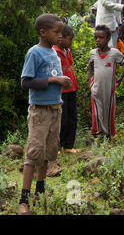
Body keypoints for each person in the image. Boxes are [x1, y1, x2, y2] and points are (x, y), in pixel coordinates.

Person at [18, 14, 72, 215]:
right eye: (56, 32)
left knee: (48, 154)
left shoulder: (54, 53)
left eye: (61, 32)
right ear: (43, 32)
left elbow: (55, 78)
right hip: (39, 112)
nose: (60, 36)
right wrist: (53, 80)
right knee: (33, 154)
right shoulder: (35, 53)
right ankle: (23, 199)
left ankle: (39, 194)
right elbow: (26, 82)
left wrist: (62, 82)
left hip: (55, 109)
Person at [89, 25, 124, 137]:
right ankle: (98, 134)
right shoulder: (93, 53)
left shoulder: (114, 53)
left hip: (109, 89)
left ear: (108, 38)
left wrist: (120, 79)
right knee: (97, 112)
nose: (98, 40)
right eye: (96, 38)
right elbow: (91, 65)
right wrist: (90, 80)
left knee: (108, 111)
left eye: (101, 37)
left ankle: (107, 134)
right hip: (96, 88)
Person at [53, 25, 79, 154]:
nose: (71, 42)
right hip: (61, 90)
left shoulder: (67, 51)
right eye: (70, 39)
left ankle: (69, 145)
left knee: (72, 117)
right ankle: (58, 145)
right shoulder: (53, 51)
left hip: (72, 88)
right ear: (61, 38)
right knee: (61, 118)